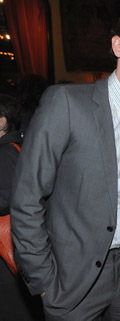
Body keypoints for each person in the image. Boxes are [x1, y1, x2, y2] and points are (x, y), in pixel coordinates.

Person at [10, 5, 120, 321]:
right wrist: (44, 281)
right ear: (118, 45)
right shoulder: (66, 103)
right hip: (71, 280)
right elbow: (26, 199)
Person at [0, 94, 44, 321]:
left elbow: (6, 198)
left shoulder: (5, 152)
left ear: (1, 122)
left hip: (7, 244)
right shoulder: (16, 147)